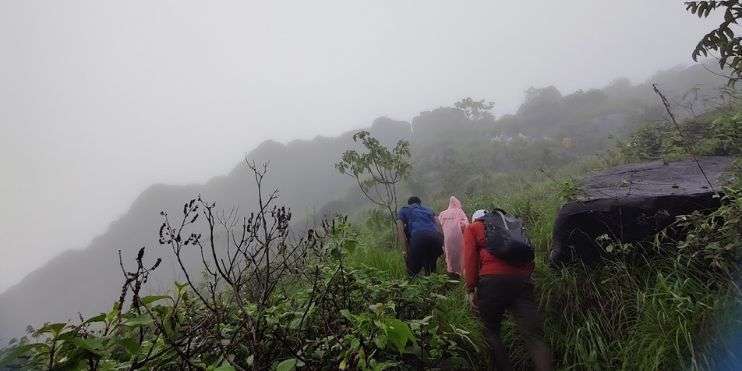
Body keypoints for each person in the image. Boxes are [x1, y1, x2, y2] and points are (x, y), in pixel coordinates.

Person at [463, 209, 552, 371]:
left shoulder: (473, 227)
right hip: (522, 280)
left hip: (492, 282)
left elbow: (470, 260)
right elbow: (528, 254)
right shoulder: (511, 226)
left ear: (476, 219)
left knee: (491, 330)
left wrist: (470, 288)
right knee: (534, 336)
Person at [397, 196, 443, 276]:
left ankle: (414, 283)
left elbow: (400, 229)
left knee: (412, 271)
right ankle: (433, 284)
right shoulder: (429, 210)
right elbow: (439, 225)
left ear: (409, 204)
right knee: (431, 269)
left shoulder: (404, 209)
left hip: (418, 238)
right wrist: (443, 245)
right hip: (435, 238)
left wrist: (405, 251)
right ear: (420, 203)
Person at [437, 196, 469, 277]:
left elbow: (438, 225)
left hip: (447, 239)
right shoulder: (460, 212)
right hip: (459, 239)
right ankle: (461, 273)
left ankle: (450, 272)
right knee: (460, 255)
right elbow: (466, 225)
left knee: (449, 255)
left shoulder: (443, 213)